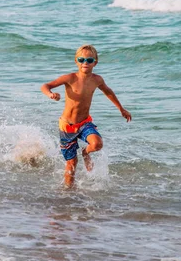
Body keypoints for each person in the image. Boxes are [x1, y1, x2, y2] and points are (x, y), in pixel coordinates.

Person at [41, 44, 131, 187]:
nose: (85, 63)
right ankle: (68, 195)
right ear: (76, 61)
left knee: (97, 144)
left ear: (95, 62)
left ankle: (85, 152)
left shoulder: (97, 80)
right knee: (72, 164)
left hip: (84, 123)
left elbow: (108, 92)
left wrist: (121, 109)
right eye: (81, 59)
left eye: (89, 60)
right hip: (67, 127)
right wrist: (50, 94)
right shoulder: (70, 78)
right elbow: (45, 86)